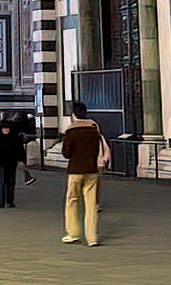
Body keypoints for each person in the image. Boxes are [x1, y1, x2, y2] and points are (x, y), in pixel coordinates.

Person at [60, 102, 104, 247]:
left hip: (75, 171)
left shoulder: (71, 133)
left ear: (74, 115)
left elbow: (66, 154)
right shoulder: (94, 131)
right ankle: (92, 238)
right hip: (91, 171)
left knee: (73, 201)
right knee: (91, 205)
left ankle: (72, 233)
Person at [0, 121, 25, 209]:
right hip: (0, 163)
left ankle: (10, 202)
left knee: (11, 182)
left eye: (7, 129)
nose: (6, 130)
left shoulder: (14, 138)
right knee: (2, 182)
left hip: (12, 163)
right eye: (4, 129)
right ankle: (1, 201)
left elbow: (20, 150)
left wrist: (21, 159)